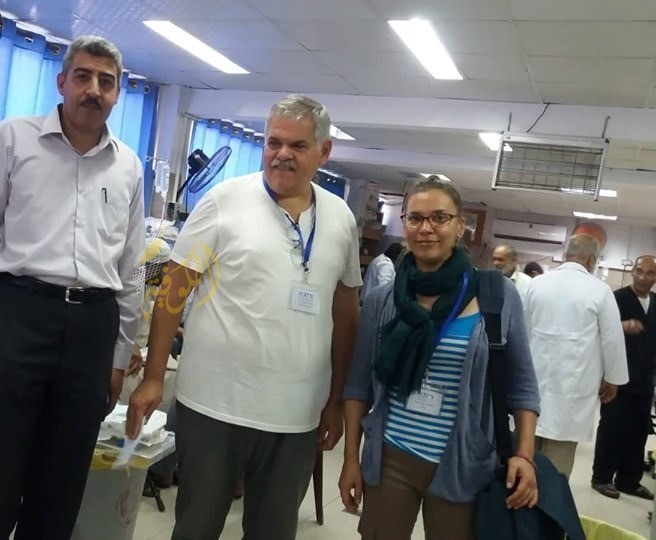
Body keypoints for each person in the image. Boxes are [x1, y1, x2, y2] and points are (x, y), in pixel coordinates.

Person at [127, 94, 362, 540]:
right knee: (196, 527)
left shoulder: (341, 219)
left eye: (297, 145)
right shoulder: (224, 200)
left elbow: (346, 312)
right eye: (274, 142)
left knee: (274, 530)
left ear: (324, 151)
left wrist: (334, 399)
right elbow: (174, 290)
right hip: (213, 405)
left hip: (296, 415)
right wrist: (154, 377)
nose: (282, 154)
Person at [0, 35, 145, 540]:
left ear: (117, 94)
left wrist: (120, 355)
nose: (93, 89)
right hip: (20, 315)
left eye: (106, 81)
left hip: (92, 330)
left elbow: (131, 270)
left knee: (61, 481)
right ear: (62, 82)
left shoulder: (128, 166)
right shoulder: (13, 140)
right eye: (83, 76)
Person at [340, 179, 540, 540]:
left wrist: (524, 455)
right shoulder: (383, 300)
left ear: (460, 226)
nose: (426, 228)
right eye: (415, 218)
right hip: (390, 456)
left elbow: (523, 386)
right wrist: (351, 459)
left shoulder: (496, 295)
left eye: (439, 217)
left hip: (463, 460)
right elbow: (358, 387)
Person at [521, 234, 628, 478]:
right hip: (572, 391)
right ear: (591, 260)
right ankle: (552, 500)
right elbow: (612, 339)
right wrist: (613, 380)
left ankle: (520, 501)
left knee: (524, 452)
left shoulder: (535, 285)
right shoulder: (600, 290)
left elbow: (519, 333)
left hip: (530, 387)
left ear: (565, 255)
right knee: (556, 467)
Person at [591, 255, 656, 500]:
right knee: (612, 428)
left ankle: (629, 480)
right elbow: (598, 330)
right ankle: (601, 477)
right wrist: (623, 325)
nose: (642, 277)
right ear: (632, 272)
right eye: (639, 271)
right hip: (617, 379)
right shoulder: (616, 299)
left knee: (638, 432)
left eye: (649, 273)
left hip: (645, 380)